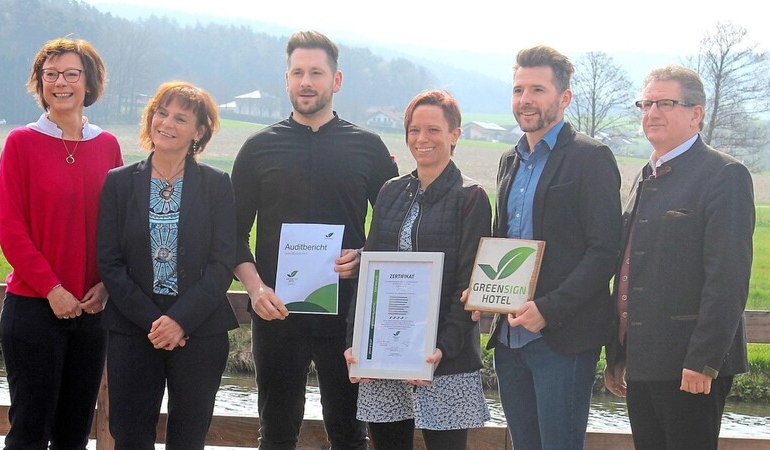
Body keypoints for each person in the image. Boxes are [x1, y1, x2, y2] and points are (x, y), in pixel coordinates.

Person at [231, 30, 399, 449]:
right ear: (286, 80)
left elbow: (395, 227)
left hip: (345, 313)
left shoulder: (368, 147)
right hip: (276, 313)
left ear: (335, 81)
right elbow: (232, 234)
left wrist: (365, 256)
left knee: (347, 431)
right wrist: (255, 290)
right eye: (298, 72)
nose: (307, 82)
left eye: (316, 73)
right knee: (276, 430)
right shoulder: (257, 149)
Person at [604, 65, 755, 450]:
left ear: (696, 113)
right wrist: (618, 354)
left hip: (690, 366)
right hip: (642, 360)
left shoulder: (723, 175)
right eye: (646, 103)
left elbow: (728, 279)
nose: (652, 112)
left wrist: (704, 361)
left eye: (666, 103)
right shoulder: (645, 175)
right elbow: (629, 270)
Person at [484, 45, 622, 449]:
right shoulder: (509, 159)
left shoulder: (590, 158)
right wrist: (483, 292)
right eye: (518, 90)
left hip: (562, 340)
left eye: (537, 90)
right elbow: (503, 241)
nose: (525, 100)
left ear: (564, 98)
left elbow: (604, 251)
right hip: (509, 339)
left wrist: (548, 310)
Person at [344, 90, 491, 450]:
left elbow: (468, 281)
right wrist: (355, 341)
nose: (421, 139)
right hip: (385, 355)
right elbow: (370, 272)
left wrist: (442, 347)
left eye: (433, 130)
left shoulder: (471, 197)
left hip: (443, 358)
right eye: (413, 130)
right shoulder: (390, 191)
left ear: (455, 134)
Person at [0, 37, 123, 449]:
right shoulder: (21, 142)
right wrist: (52, 289)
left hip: (91, 311)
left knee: (74, 436)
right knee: (29, 432)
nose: (60, 82)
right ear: (40, 82)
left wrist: (105, 285)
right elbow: (11, 230)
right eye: (50, 74)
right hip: (34, 308)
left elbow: (118, 227)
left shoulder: (108, 146)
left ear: (89, 82)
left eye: (71, 74)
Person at [97, 81, 238, 449]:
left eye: (180, 118)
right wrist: (154, 322)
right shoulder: (119, 183)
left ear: (199, 131)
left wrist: (180, 321)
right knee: (128, 436)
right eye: (161, 113)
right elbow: (109, 262)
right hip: (133, 328)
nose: (167, 123)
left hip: (199, 328)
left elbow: (223, 262)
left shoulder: (217, 184)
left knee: (188, 438)